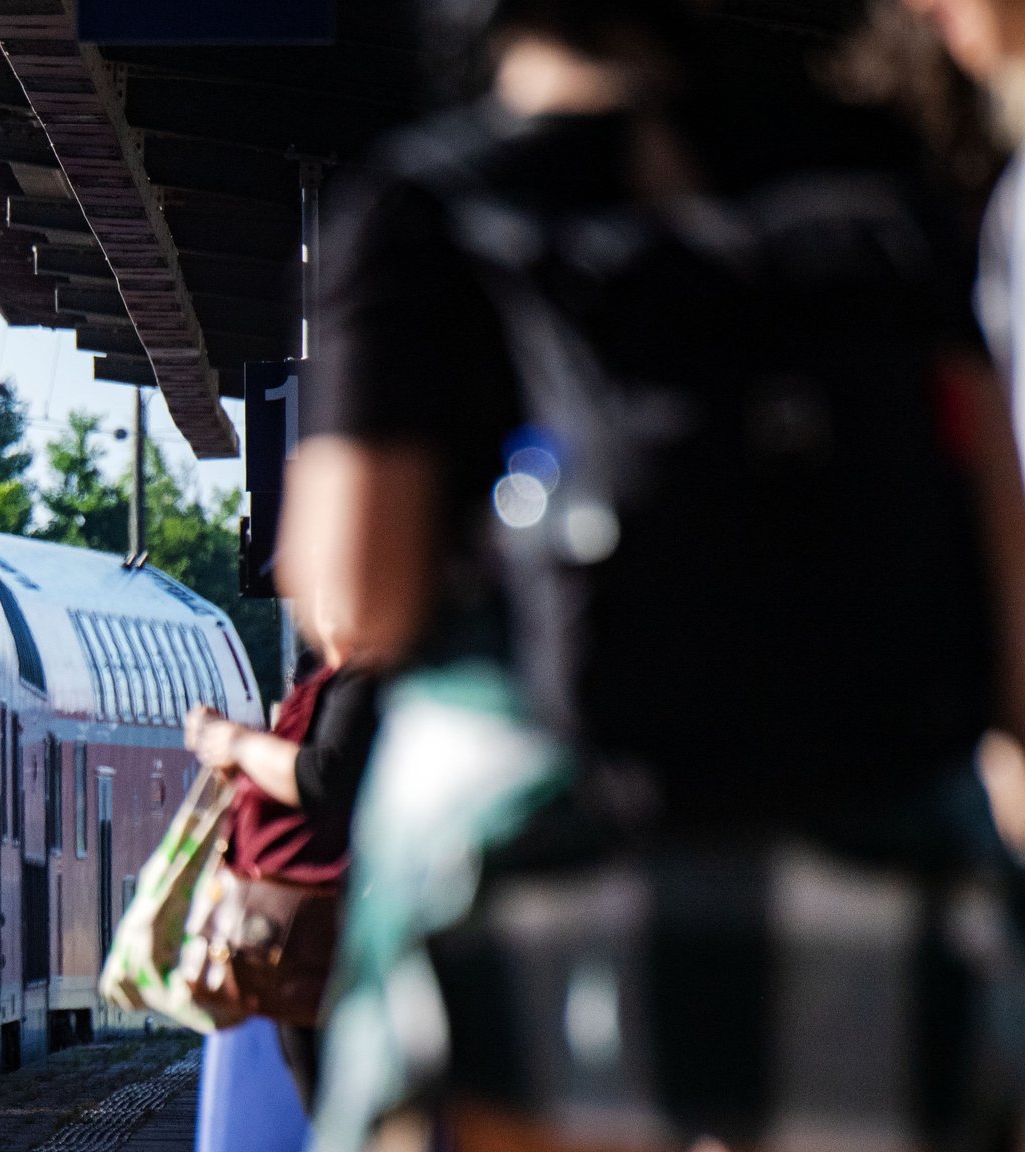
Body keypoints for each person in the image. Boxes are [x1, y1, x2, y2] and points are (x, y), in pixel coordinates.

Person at [277, 0, 1025, 1148]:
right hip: (880, 853)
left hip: (541, 858)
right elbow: (1000, 572)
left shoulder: (425, 198)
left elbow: (355, 600)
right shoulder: (874, 176)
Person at [183, 650, 379, 1109]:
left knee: (334, 1095)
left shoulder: (363, 676)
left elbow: (320, 775)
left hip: (326, 928)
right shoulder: (331, 676)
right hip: (306, 934)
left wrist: (238, 744)